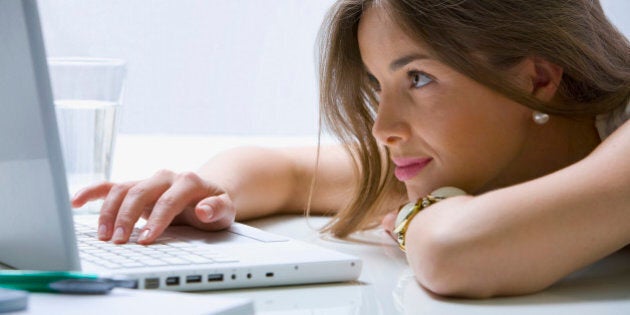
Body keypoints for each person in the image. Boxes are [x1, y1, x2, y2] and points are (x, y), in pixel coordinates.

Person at [72, 0, 630, 298]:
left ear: (537, 78)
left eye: (417, 79)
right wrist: (211, 189)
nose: (383, 126)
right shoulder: (479, 158)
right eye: (376, 87)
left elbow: (457, 251)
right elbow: (286, 171)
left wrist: (416, 218)